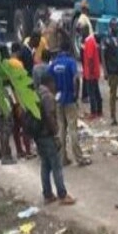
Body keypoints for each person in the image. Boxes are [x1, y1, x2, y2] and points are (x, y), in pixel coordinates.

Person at [28, 74, 76, 205]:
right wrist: (55, 133)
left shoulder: (36, 94)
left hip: (37, 135)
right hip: (46, 134)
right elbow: (49, 115)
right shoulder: (48, 96)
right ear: (49, 83)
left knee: (45, 164)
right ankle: (62, 194)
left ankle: (47, 194)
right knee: (56, 165)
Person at [48, 37, 88, 166]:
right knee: (72, 129)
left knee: (61, 129)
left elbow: (49, 79)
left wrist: (54, 93)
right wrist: (76, 94)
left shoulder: (54, 63)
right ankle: (79, 158)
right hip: (69, 98)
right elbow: (76, 78)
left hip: (58, 99)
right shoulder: (70, 62)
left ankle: (62, 158)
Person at [102, 19, 118, 125]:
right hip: (112, 71)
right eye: (114, 26)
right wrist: (105, 71)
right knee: (113, 94)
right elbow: (103, 56)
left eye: (117, 26)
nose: (117, 28)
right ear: (111, 27)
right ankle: (113, 116)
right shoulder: (106, 40)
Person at [80, 24, 103, 119]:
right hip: (95, 71)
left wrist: (89, 73)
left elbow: (89, 58)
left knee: (92, 93)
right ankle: (99, 110)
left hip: (91, 72)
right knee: (96, 91)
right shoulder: (92, 40)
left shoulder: (88, 42)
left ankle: (93, 112)